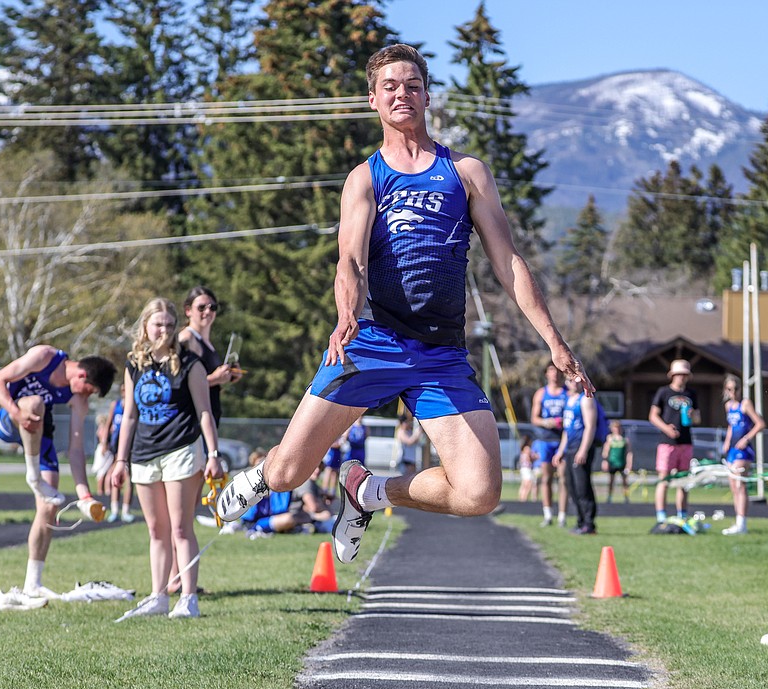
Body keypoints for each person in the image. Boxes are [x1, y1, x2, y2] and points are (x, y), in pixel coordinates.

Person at [216, 43, 592, 565]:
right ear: (373, 100)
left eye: (411, 85)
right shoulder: (365, 178)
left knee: (479, 493)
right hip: (372, 342)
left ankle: (367, 492)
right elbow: (349, 259)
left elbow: (508, 262)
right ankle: (258, 477)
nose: (402, 94)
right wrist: (347, 314)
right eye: (390, 86)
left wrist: (554, 341)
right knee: (286, 473)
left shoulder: (466, 172)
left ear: (427, 96)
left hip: (440, 354)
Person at [110, 298, 224, 620]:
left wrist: (213, 454)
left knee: (180, 528)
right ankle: (157, 596)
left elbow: (204, 411)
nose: (164, 330)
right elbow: (129, 415)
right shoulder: (135, 364)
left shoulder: (189, 363)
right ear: (145, 326)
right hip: (145, 454)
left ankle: (188, 598)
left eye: (170, 325)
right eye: (158, 323)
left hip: (182, 449)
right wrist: (120, 460)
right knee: (156, 530)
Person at [0, 344, 115, 601]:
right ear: (80, 375)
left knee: (49, 506)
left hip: (38, 429)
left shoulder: (78, 399)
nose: (86, 397)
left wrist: (84, 495)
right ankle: (32, 476)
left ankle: (32, 583)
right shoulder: (45, 357)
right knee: (34, 403)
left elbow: (76, 449)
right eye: (89, 391)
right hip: (7, 415)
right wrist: (16, 413)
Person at [178, 285, 242, 427]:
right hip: (191, 422)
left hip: (209, 420)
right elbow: (178, 385)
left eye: (212, 307)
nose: (207, 311)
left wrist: (229, 375)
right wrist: (214, 379)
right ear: (188, 310)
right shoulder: (186, 339)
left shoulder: (207, 343)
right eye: (201, 307)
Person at [553, 375, 609, 535]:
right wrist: (560, 451)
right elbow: (566, 429)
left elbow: (590, 427)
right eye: (571, 381)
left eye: (577, 381)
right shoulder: (568, 400)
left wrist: (583, 450)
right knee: (571, 486)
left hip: (581, 447)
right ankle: (580, 521)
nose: (574, 384)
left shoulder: (586, 399)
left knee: (582, 486)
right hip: (570, 447)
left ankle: (589, 523)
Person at [648, 359, 699, 534]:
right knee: (664, 479)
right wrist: (666, 429)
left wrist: (693, 416)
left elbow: (698, 419)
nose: (682, 378)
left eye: (685, 375)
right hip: (667, 443)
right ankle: (661, 516)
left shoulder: (692, 394)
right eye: (680, 374)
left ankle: (682, 514)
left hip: (686, 442)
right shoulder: (664, 392)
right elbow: (653, 416)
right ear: (673, 375)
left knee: (683, 481)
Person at [235, 451, 335, 536]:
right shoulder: (254, 487)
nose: (317, 471)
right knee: (290, 518)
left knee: (300, 516)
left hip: (279, 516)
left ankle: (305, 526)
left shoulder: (280, 484)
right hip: (257, 523)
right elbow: (313, 506)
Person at [720, 374, 765, 535]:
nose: (733, 392)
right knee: (733, 486)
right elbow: (731, 426)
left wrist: (746, 438)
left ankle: (742, 523)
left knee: (740, 485)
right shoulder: (728, 406)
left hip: (743, 450)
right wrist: (726, 441)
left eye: (736, 389)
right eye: (730, 389)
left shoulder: (745, 404)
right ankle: (738, 521)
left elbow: (760, 424)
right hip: (732, 450)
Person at [530, 364, 568, 527]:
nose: (555, 374)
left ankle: (562, 516)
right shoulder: (541, 393)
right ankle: (547, 514)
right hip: (545, 440)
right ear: (546, 374)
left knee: (564, 479)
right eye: (552, 371)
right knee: (546, 478)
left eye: (558, 371)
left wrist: (563, 422)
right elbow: (534, 418)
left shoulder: (567, 393)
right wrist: (548, 422)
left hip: (563, 440)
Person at [105, 386, 135, 522]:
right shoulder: (115, 405)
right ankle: (115, 509)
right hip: (117, 445)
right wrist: (105, 442)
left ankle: (126, 510)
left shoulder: (134, 405)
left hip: (131, 445)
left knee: (129, 478)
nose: (125, 392)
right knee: (115, 475)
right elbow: (108, 424)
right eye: (123, 390)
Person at [601, 420, 632, 503]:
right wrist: (605, 461)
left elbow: (629, 453)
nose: (616, 429)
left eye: (618, 428)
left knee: (625, 482)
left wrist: (629, 465)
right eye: (615, 428)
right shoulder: (610, 439)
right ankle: (609, 497)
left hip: (622, 463)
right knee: (611, 481)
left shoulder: (625, 440)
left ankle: (626, 498)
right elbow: (605, 451)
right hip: (612, 463)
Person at [517, 434, 539, 501]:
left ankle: (521, 498)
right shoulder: (527, 448)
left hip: (523, 468)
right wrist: (536, 457)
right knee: (528, 484)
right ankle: (524, 499)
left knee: (524, 484)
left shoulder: (523, 449)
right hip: (527, 468)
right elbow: (529, 458)